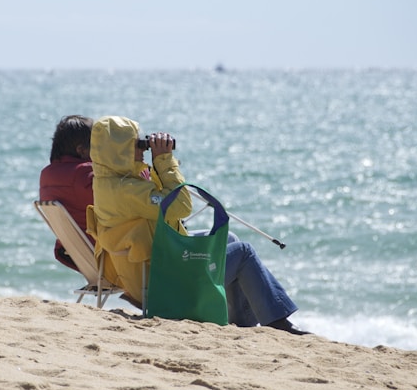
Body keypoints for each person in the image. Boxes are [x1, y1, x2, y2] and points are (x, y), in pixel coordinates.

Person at [88, 115, 310, 335]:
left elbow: (162, 203)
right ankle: (277, 322)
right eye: (136, 145)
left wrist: (152, 167)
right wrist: (164, 160)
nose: (143, 149)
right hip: (163, 285)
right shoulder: (127, 190)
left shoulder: (108, 182)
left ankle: (242, 321)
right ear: (119, 151)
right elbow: (182, 205)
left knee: (228, 239)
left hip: (148, 273)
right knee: (243, 252)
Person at [39, 115, 94, 271]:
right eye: (97, 145)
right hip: (103, 255)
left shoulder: (46, 174)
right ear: (81, 150)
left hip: (74, 254)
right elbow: (119, 201)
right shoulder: (84, 174)